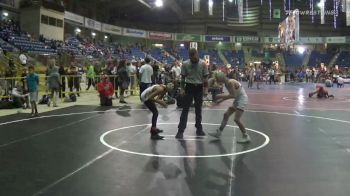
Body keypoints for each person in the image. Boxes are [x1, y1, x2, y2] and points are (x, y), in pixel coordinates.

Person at [208, 72, 251, 143]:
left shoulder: (229, 83)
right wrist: (221, 100)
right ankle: (219, 132)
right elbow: (232, 95)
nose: (218, 82)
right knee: (226, 115)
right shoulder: (228, 82)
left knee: (236, 119)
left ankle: (246, 136)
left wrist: (220, 96)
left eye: (218, 80)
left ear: (220, 79)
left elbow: (232, 95)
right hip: (238, 99)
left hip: (242, 100)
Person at [176, 48, 209, 139]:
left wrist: (206, 89)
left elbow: (205, 78)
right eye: (191, 57)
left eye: (194, 57)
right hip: (189, 87)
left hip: (199, 88)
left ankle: (199, 129)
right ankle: (180, 130)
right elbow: (182, 78)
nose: (193, 59)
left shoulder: (203, 64)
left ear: (197, 54)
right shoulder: (185, 64)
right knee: (185, 109)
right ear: (189, 56)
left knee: (198, 110)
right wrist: (182, 89)